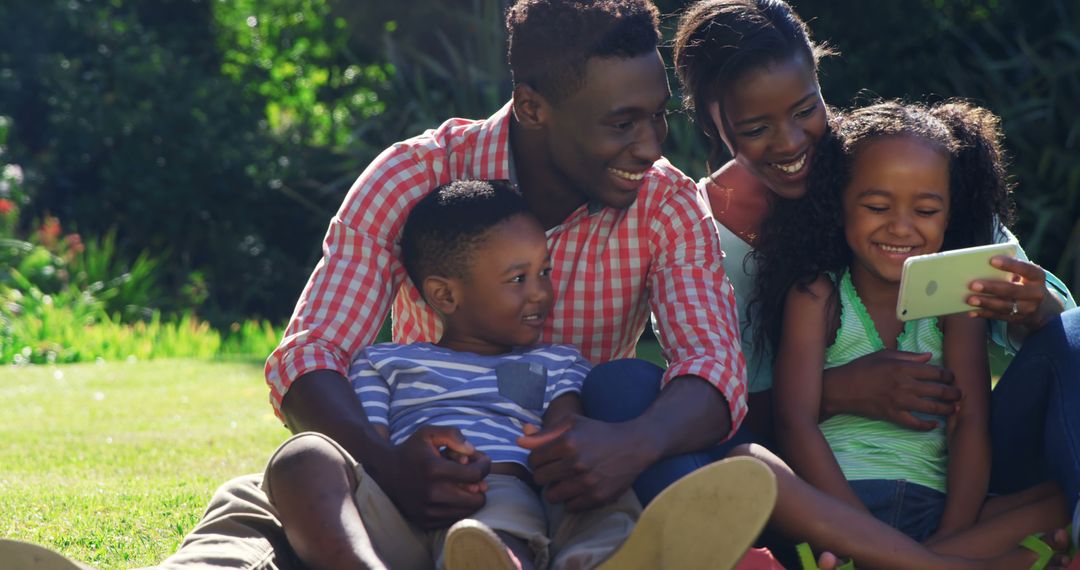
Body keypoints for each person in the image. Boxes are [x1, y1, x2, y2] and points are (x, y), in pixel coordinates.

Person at [154, 1, 749, 568]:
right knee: (268, 494)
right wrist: (385, 461)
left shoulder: (667, 204)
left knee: (622, 412)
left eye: (657, 116)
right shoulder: (414, 176)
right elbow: (312, 352)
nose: (649, 146)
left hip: (567, 479)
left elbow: (714, 363)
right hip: (412, 460)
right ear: (533, 106)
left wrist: (635, 443)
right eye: (621, 123)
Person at [592, 0, 1079, 541]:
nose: (791, 142)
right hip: (815, 477)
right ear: (712, 121)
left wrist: (1037, 307)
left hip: (954, 465)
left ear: (819, 81)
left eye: (806, 109)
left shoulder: (892, 159)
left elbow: (1039, 320)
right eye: (755, 127)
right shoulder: (697, 234)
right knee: (633, 393)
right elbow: (718, 412)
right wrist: (838, 390)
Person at [264, 180, 773, 570]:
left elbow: (561, 440)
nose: (541, 294)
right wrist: (403, 464)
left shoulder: (556, 363)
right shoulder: (384, 361)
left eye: (545, 272)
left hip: (494, 491)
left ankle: (614, 553)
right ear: (445, 295)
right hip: (394, 502)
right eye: (518, 279)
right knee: (302, 456)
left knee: (540, 506)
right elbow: (368, 447)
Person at [767, 100, 1070, 562]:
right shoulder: (817, 295)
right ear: (840, 203)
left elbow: (969, 423)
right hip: (840, 512)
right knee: (753, 464)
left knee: (1058, 498)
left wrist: (952, 527)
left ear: (949, 216)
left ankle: (908, 561)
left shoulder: (955, 306)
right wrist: (864, 533)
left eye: (926, 211)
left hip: (934, 518)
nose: (901, 227)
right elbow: (795, 422)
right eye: (876, 206)